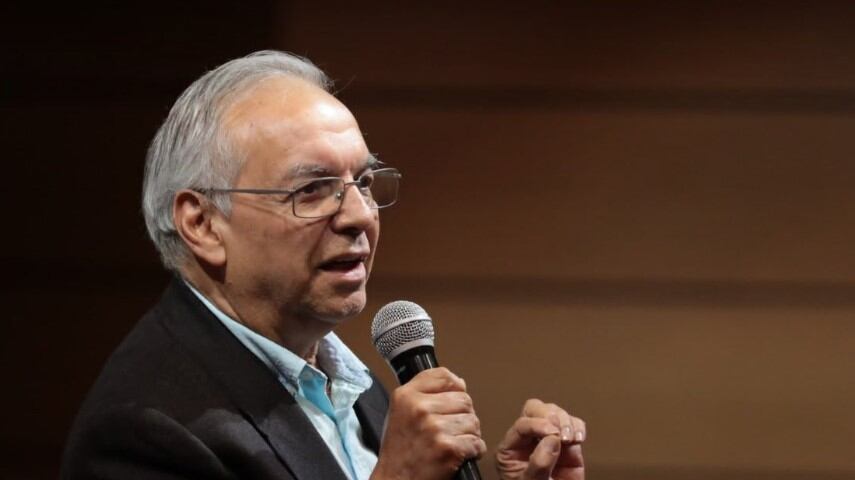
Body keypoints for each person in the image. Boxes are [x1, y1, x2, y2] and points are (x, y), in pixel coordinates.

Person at [61, 50, 586, 480]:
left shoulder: (349, 382)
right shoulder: (143, 432)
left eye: (363, 182)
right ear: (203, 224)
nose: (360, 215)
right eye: (312, 189)